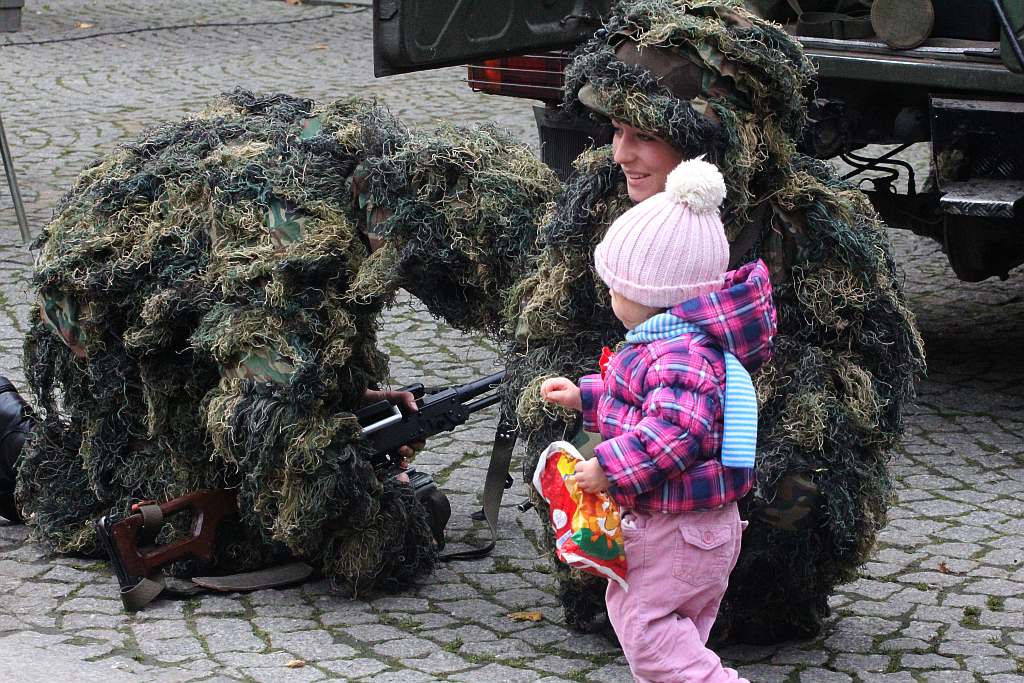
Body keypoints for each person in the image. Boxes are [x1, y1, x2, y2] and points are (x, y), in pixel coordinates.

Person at [508, 0, 925, 642]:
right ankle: (623, 586)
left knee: (799, 477)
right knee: (567, 446)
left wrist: (749, 403)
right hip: (631, 410)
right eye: (615, 130)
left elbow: (868, 364)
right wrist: (588, 396)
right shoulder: (599, 202)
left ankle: (752, 600)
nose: (620, 153)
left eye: (643, 135)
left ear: (709, 139)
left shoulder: (803, 223)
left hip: (740, 433)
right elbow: (547, 330)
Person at [540, 158, 772, 682]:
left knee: (645, 631)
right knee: (677, 639)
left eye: (616, 287)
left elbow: (674, 434)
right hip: (701, 527)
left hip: (676, 529)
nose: (610, 296)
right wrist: (586, 398)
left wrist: (609, 467)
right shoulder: (676, 348)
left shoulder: (678, 356)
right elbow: (649, 407)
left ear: (651, 294)